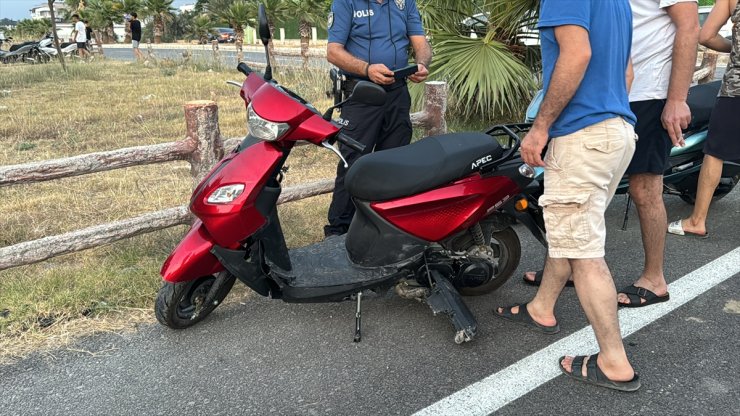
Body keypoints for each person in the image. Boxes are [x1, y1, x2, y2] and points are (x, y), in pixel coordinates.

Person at [495, 0, 640, 391]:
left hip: (581, 137)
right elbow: (626, 70)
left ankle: (613, 360)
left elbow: (577, 53)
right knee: (572, 234)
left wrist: (541, 127)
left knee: (584, 252)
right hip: (616, 132)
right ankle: (542, 307)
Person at [522, 0, 700, 310]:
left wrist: (676, 98)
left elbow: (689, 26)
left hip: (648, 94)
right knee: (581, 195)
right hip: (613, 94)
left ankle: (654, 279)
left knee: (644, 189)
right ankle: (568, 271)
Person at [323, 0, 432, 237]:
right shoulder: (346, 3)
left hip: (398, 93)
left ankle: (386, 229)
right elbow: (333, 51)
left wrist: (422, 64)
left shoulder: (405, 3)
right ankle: (338, 233)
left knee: (395, 163)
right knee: (351, 163)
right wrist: (367, 69)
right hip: (361, 92)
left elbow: (421, 43)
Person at [669, 0, 740, 238]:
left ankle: (697, 220)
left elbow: (707, 35)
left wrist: (734, 46)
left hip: (736, 89)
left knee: (715, 152)